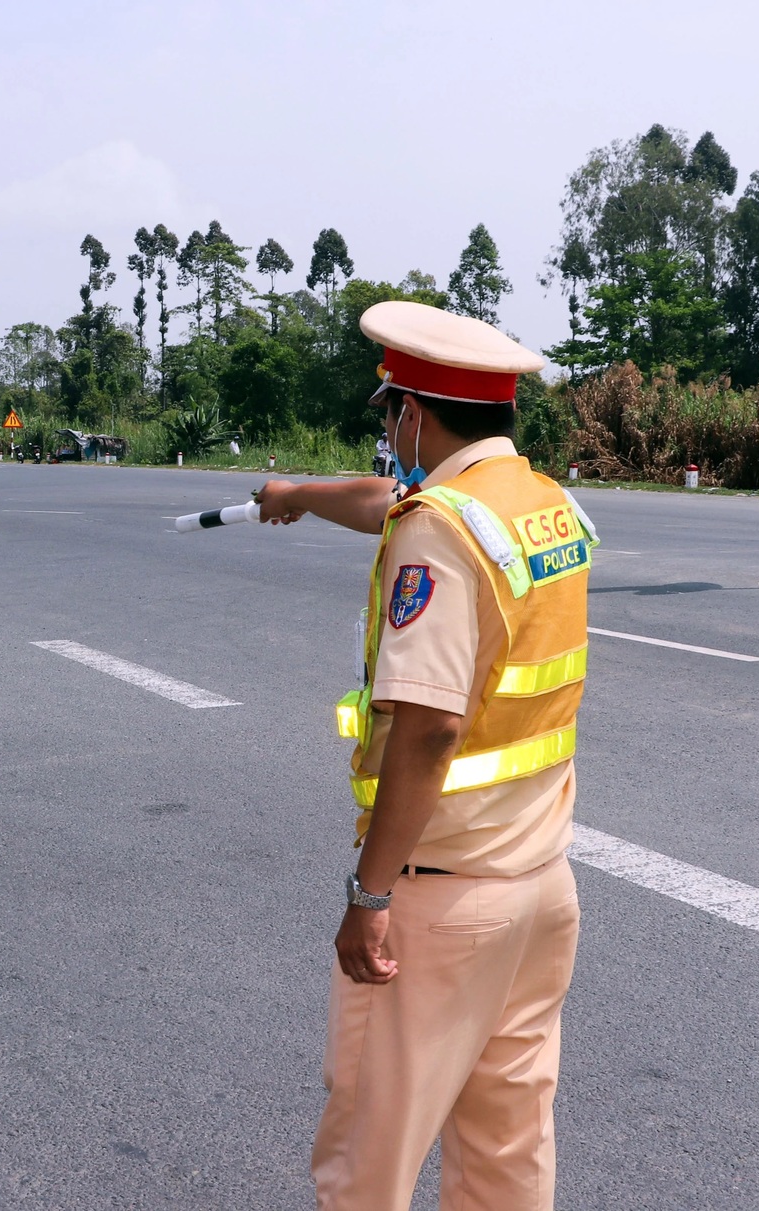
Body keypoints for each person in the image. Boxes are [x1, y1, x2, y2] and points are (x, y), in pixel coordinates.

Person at [254, 301, 594, 1211]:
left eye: (388, 410)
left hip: (440, 902)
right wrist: (296, 497)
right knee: (505, 1153)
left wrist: (369, 898)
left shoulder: (440, 533)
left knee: (369, 1163)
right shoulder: (538, 505)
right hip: (538, 891)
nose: (385, 428)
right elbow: (393, 502)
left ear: (414, 412)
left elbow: (430, 727)